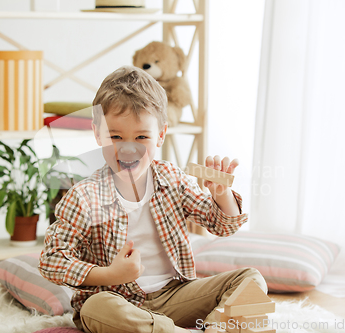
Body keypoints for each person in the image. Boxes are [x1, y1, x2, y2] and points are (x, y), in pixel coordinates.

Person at [39, 66, 267, 333]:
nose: (128, 147)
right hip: (118, 303)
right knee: (94, 308)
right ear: (97, 133)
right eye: (115, 136)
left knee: (251, 280)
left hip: (174, 296)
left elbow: (222, 225)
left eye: (141, 137)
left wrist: (221, 195)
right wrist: (110, 275)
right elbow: (52, 260)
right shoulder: (84, 196)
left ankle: (214, 329)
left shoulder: (172, 179)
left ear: (160, 134)